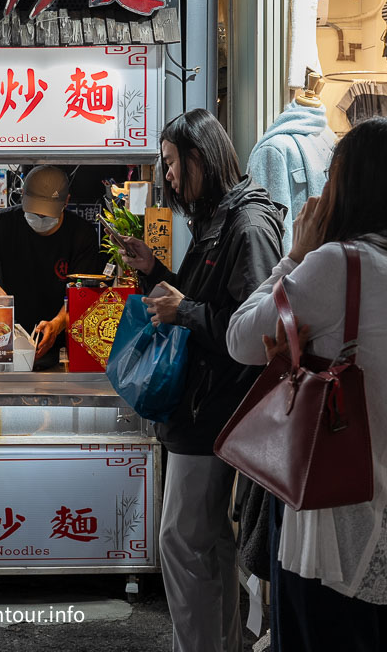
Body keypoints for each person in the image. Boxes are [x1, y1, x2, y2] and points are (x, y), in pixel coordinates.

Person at [226, 117, 387, 651]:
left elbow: (241, 337)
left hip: (335, 544)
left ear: (347, 185)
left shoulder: (338, 265)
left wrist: (293, 257)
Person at [118, 108, 284, 652]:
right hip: (203, 411)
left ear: (198, 156)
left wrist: (183, 308)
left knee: (182, 543)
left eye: (170, 163)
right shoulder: (220, 219)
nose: (167, 176)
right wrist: (155, 274)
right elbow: (210, 306)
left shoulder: (248, 225)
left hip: (217, 413)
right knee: (208, 545)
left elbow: (255, 333)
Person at [0, 165, 101, 368]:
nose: (40, 219)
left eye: (46, 215)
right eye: (34, 212)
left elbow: (83, 295)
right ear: (23, 195)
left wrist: (58, 323)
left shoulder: (82, 234)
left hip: (60, 347)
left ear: (66, 202)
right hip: (5, 342)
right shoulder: (2, 224)